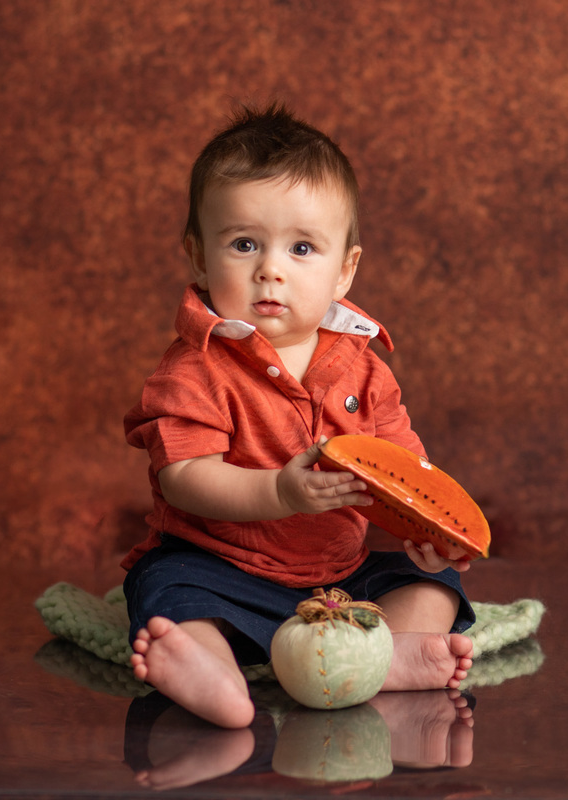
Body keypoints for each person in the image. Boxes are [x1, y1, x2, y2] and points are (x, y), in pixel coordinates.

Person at [122, 104, 475, 729]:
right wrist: (280, 489)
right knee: (168, 591)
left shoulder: (366, 371)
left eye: (302, 247)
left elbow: (402, 470)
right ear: (199, 257)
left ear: (345, 270)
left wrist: (430, 536)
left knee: (433, 590)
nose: (271, 269)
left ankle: (381, 656)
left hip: (340, 577)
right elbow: (183, 476)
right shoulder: (194, 368)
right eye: (244, 244)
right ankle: (207, 669)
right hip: (223, 565)